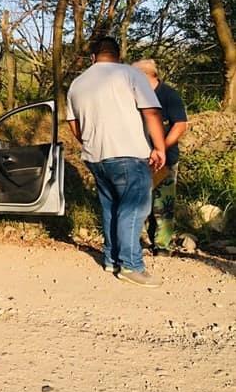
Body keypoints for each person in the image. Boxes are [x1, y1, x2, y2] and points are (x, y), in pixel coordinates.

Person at [66, 37, 166, 288]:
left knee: (111, 207)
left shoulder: (77, 84)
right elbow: (151, 111)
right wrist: (159, 147)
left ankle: (112, 259)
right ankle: (131, 265)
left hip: (95, 157)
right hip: (128, 152)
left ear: (93, 57)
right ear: (119, 55)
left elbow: (72, 124)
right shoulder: (130, 74)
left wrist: (89, 141)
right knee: (134, 208)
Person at [131, 59, 188, 256]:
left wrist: (160, 148)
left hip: (166, 159)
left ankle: (162, 245)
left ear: (146, 75)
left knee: (163, 205)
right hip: (139, 159)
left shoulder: (169, 95)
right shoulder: (133, 96)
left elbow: (180, 125)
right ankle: (140, 241)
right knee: (139, 203)